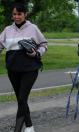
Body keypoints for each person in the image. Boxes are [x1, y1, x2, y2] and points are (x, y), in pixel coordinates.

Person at [0, 2, 48, 132]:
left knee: (22, 98)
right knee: (21, 101)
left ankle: (17, 130)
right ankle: (29, 126)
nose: (16, 17)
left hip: (30, 69)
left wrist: (37, 53)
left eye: (19, 14)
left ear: (25, 14)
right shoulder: (7, 30)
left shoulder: (33, 28)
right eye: (14, 14)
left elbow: (44, 44)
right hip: (13, 70)